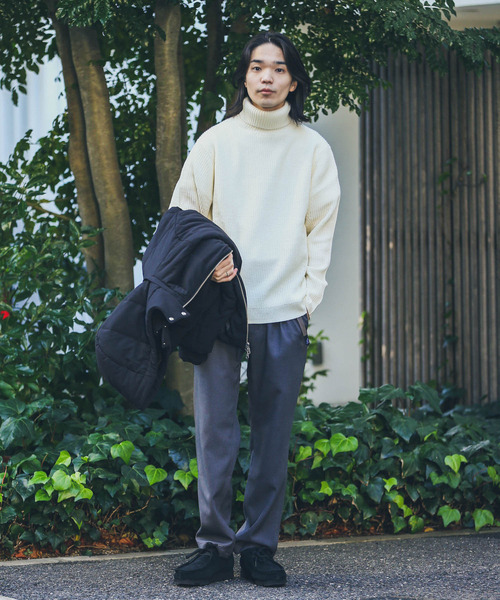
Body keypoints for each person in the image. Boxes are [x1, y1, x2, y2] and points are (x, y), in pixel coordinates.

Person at [170, 30, 341, 587]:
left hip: (284, 312)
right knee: (215, 433)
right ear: (244, 76)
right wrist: (207, 261)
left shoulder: (312, 149)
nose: (267, 77)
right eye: (257, 67)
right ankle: (215, 547)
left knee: (272, 436)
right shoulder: (216, 142)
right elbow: (183, 216)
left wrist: (306, 302)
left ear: (293, 80)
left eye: (279, 68)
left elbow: (321, 230)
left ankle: (260, 547)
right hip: (220, 309)